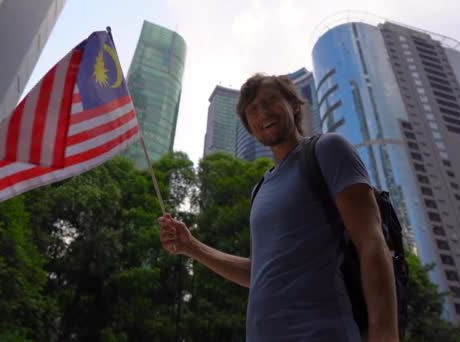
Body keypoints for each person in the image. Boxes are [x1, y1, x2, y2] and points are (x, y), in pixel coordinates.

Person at [157, 74, 398, 341]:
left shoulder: (327, 149)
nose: (263, 113)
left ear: (293, 105)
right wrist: (192, 247)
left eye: (270, 101)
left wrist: (384, 334)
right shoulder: (260, 189)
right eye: (252, 110)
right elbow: (260, 273)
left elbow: (372, 242)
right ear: (249, 125)